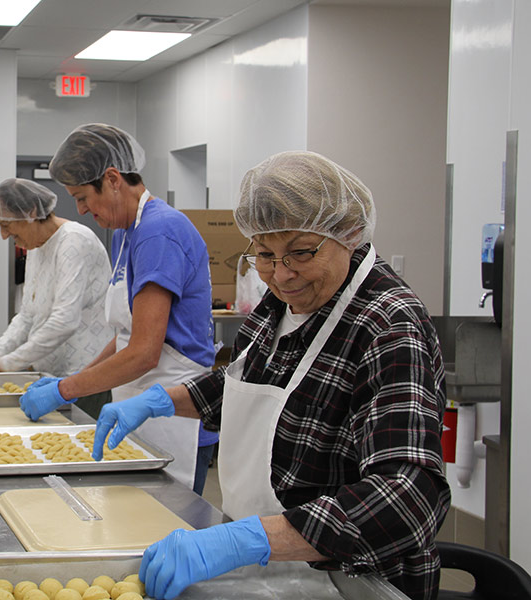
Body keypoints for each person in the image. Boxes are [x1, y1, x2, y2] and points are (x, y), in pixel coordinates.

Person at [91, 151, 451, 600]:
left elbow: (407, 499)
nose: (281, 276)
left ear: (350, 234)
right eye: (264, 254)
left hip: (351, 580)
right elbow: (245, 384)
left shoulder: (389, 324)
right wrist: (161, 400)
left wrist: (251, 539)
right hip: (275, 573)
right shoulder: (282, 300)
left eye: (301, 252)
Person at [20, 123, 216, 489]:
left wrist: (66, 390)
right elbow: (126, 336)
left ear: (112, 179)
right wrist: (73, 382)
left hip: (174, 414)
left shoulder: (160, 232)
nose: (79, 210)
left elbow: (144, 352)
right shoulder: (126, 235)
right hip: (135, 406)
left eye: (82, 197)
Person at [0, 178, 112, 397]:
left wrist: (7, 363)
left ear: (32, 212)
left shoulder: (74, 241)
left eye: (6, 226)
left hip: (85, 377)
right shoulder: (36, 246)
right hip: (49, 376)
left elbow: (65, 320)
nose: (4, 236)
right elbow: (27, 316)